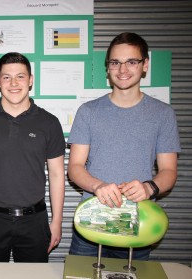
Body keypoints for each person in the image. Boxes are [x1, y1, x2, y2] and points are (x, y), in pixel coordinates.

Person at [67, 32, 181, 260]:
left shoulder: (163, 114)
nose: (123, 69)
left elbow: (169, 172)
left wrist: (149, 188)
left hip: (138, 222)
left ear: (145, 64)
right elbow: (75, 167)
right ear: (107, 67)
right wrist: (98, 186)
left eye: (132, 61)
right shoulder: (88, 112)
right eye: (115, 62)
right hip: (92, 218)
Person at [0, 52, 66, 262]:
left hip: (34, 221)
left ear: (31, 80)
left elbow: (57, 175)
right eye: (6, 77)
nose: (13, 83)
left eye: (20, 76)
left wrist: (57, 221)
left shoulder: (49, 123)